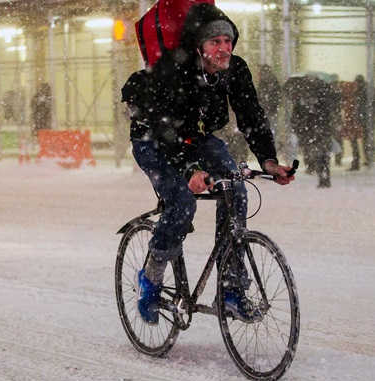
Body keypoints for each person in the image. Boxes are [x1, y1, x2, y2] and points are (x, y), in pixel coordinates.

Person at [122, 3, 295, 325]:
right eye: (215, 42)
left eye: (228, 41)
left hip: (198, 138)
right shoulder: (174, 69)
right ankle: (151, 277)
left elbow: (251, 116)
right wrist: (190, 171)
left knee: (236, 191)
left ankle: (230, 289)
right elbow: (164, 128)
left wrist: (269, 161)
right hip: (155, 140)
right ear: (199, 45)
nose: (224, 48)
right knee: (181, 203)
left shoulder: (235, 69)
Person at [343, 75, 368, 171]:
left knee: (358, 140)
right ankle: (365, 159)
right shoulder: (361, 92)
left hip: (359, 120)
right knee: (363, 140)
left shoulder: (359, 93)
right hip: (360, 120)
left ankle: (358, 161)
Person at [256, 65, 281, 139]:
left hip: (267, 111)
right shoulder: (272, 82)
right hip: (270, 111)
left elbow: (263, 98)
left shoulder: (266, 84)